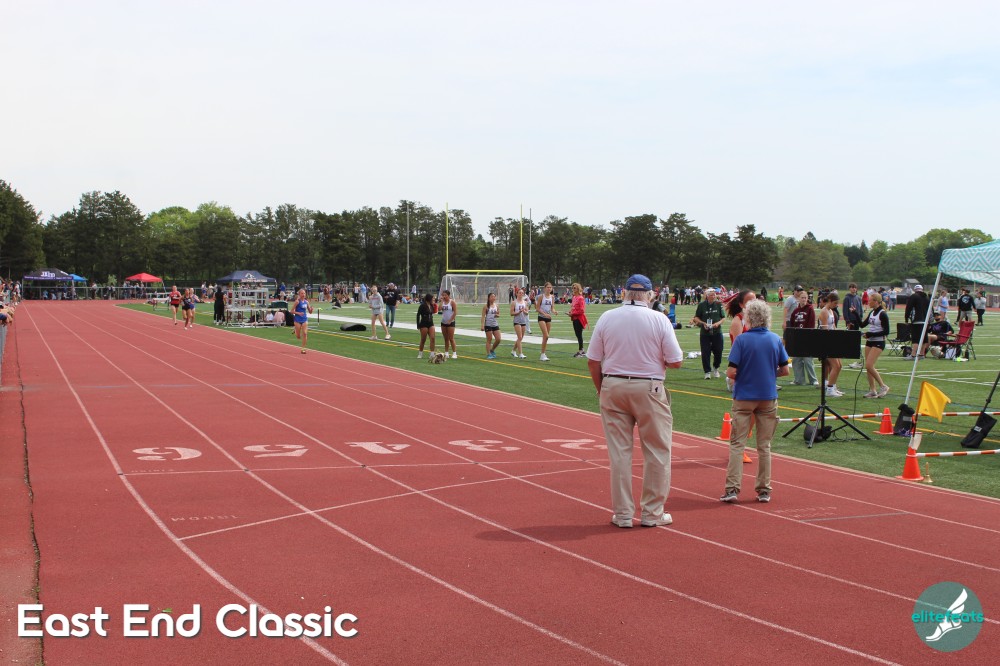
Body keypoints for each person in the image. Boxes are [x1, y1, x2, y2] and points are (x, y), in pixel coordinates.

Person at [586, 274, 683, 528]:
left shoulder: (607, 317)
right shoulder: (659, 319)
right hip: (649, 387)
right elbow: (676, 361)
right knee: (657, 451)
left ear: (624, 293)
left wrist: (601, 389)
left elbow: (593, 360)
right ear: (650, 295)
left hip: (613, 385)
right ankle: (652, 512)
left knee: (619, 453)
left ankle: (623, 514)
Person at [720, 300, 789, 504]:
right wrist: (768, 374)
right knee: (764, 446)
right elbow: (785, 370)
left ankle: (732, 489)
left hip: (744, 396)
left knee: (737, 444)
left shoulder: (742, 340)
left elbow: (731, 371)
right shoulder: (775, 339)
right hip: (767, 396)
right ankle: (764, 490)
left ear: (748, 318)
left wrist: (744, 376)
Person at [859, 293, 890, 397]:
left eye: (870, 300)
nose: (868, 302)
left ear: (876, 301)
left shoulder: (882, 314)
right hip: (870, 341)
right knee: (868, 367)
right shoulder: (872, 312)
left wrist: (871, 334)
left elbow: (886, 331)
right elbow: (862, 325)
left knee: (869, 365)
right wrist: (854, 313)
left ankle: (883, 386)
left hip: (879, 342)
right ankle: (873, 390)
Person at [693, 288, 725, 379]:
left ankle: (716, 367)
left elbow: (723, 318)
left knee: (718, 350)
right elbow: (696, 317)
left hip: (717, 331)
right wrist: (703, 323)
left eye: (714, 295)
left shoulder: (718, 304)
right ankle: (707, 371)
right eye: (711, 295)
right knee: (705, 352)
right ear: (707, 296)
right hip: (705, 333)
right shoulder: (701, 305)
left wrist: (717, 323)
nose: (713, 296)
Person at [788, 290, 817, 385]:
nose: (804, 299)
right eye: (802, 298)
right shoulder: (795, 311)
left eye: (805, 298)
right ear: (798, 299)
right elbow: (792, 324)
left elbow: (811, 324)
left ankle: (813, 380)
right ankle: (799, 380)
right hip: (797, 339)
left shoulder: (810, 309)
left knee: (808, 360)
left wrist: (808, 336)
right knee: (796, 360)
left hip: (806, 339)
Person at [818, 292, 844, 397]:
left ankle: (833, 386)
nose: (836, 305)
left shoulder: (831, 311)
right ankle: (829, 389)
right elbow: (825, 330)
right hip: (826, 343)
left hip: (832, 341)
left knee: (839, 365)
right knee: (835, 366)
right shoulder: (824, 312)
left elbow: (833, 327)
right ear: (829, 301)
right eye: (835, 303)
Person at [903, 284, 930, 359]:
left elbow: (908, 308)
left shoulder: (914, 296)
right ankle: (922, 354)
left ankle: (913, 355)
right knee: (924, 338)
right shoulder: (927, 297)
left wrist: (906, 319)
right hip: (926, 320)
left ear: (915, 290)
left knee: (915, 338)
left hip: (917, 320)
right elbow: (931, 310)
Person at [535, 282, 558, 361]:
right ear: (545, 288)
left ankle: (543, 353)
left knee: (546, 337)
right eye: (548, 287)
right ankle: (542, 354)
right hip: (541, 317)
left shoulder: (552, 297)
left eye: (550, 287)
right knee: (546, 335)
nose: (549, 289)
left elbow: (552, 308)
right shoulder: (541, 296)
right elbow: (537, 308)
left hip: (548, 318)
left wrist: (554, 311)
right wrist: (545, 314)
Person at [567, 282, 588, 358]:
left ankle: (581, 351)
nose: (573, 289)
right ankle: (581, 350)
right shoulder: (574, 297)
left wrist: (573, 313)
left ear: (578, 289)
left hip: (579, 319)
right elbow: (573, 307)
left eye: (575, 288)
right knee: (577, 334)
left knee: (579, 335)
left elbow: (582, 310)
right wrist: (570, 312)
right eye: (572, 288)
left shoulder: (580, 298)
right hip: (574, 318)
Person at [291, 288, 313, 353]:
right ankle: (295, 330)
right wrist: (298, 313)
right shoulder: (297, 302)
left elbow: (310, 312)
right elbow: (291, 311)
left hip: (304, 319)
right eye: (302, 293)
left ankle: (303, 349)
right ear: (299, 294)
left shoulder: (306, 302)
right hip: (297, 320)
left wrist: (311, 309)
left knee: (305, 333)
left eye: (304, 293)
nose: (303, 294)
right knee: (298, 337)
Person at [480, 292, 502, 359]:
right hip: (488, 324)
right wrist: (482, 325)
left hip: (495, 324)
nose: (493, 298)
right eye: (492, 296)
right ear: (489, 298)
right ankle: (489, 354)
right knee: (489, 339)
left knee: (498, 339)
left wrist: (497, 315)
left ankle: (492, 350)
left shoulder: (496, 306)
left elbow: (498, 314)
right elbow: (483, 316)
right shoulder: (486, 306)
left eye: (494, 296)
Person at [510, 287, 530, 359]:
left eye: (522, 293)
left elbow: (527, 312)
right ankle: (521, 353)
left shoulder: (525, 302)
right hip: (517, 321)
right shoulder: (514, 302)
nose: (521, 294)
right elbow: (511, 313)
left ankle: (513, 350)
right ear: (517, 294)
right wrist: (518, 312)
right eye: (519, 293)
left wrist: (524, 311)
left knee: (520, 338)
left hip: (523, 321)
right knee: (520, 337)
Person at [439, 290, 458, 358]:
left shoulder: (452, 302)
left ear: (448, 295)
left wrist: (450, 320)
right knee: (446, 338)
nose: (444, 296)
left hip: (451, 322)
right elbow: (439, 309)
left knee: (451, 338)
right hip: (443, 322)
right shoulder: (443, 302)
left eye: (445, 295)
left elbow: (455, 312)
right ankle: (446, 352)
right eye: (443, 295)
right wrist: (441, 301)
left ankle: (454, 353)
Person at [416, 293, 436, 358]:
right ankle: (420, 353)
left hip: (431, 323)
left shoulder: (431, 305)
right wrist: (418, 325)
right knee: (423, 339)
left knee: (432, 338)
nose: (433, 299)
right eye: (432, 298)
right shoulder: (422, 305)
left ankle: (432, 353)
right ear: (429, 299)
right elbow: (418, 315)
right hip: (424, 324)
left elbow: (433, 312)